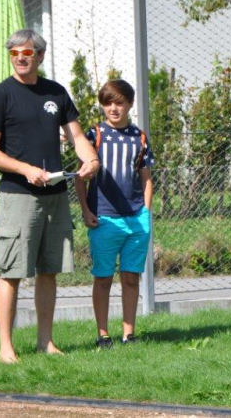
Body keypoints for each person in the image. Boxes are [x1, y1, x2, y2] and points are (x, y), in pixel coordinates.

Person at [0, 29, 101, 363]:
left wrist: (91, 159)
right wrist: (25, 169)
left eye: (27, 53)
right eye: (14, 52)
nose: (20, 58)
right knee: (12, 272)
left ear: (40, 56)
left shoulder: (56, 92)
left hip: (56, 194)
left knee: (49, 271)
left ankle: (45, 342)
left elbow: (77, 137)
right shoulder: (0, 96)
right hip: (19, 195)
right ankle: (6, 348)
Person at [73, 79, 154, 349]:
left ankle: (129, 334)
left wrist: (145, 212)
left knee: (131, 277)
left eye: (119, 103)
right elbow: (80, 178)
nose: (113, 108)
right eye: (108, 103)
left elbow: (146, 178)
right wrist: (86, 211)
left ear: (130, 104)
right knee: (103, 278)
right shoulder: (94, 135)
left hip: (136, 218)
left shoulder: (139, 137)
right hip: (104, 218)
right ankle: (103, 334)